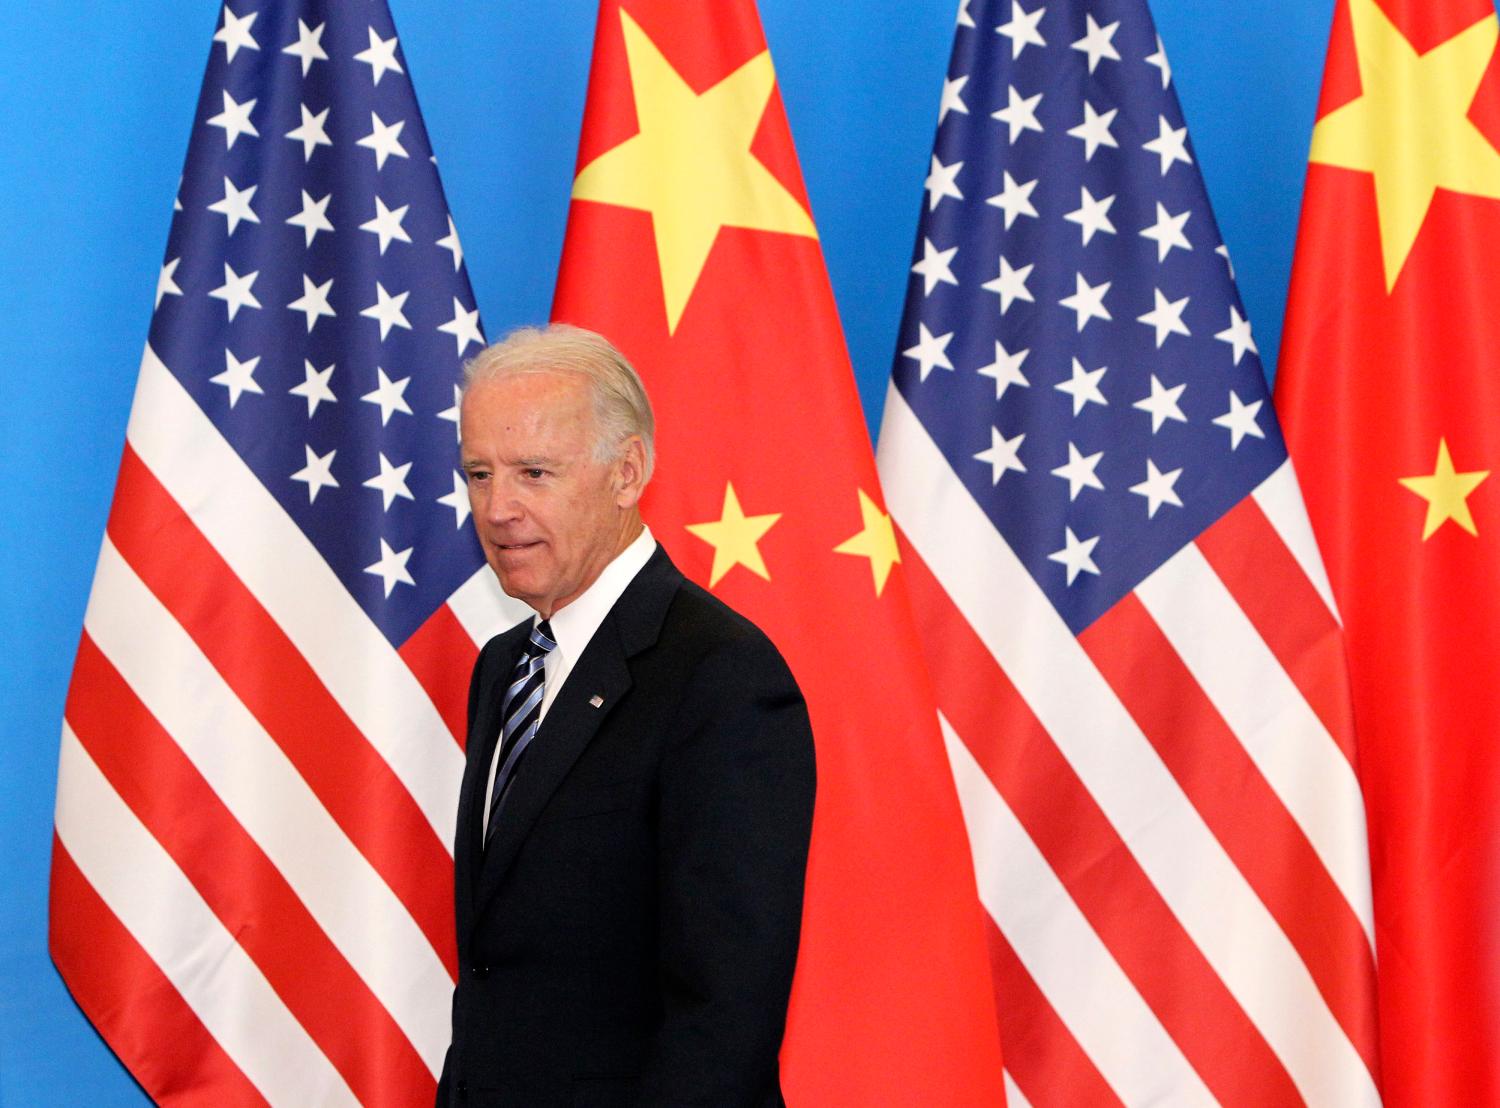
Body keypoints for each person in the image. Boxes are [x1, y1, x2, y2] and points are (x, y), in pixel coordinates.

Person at [437, 324, 816, 1107]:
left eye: (533, 473)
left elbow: (724, 1014)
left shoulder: (723, 676)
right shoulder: (502, 668)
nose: (498, 508)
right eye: (479, 472)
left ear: (628, 471)